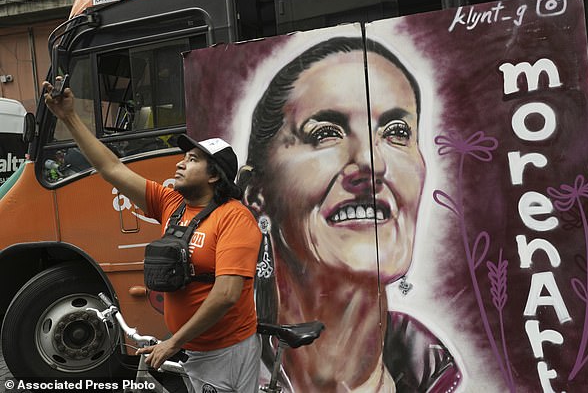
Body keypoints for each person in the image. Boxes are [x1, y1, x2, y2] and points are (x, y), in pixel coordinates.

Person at [237, 36, 462, 392]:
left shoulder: (433, 371)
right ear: (256, 193)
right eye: (326, 133)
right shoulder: (233, 369)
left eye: (397, 132)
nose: (373, 162)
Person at [43, 80, 262, 393]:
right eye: (183, 157)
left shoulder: (234, 218)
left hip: (226, 351)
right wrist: (68, 118)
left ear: (214, 175)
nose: (180, 162)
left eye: (193, 160)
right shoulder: (171, 205)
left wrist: (173, 343)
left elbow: (226, 294)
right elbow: (111, 169)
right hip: (192, 348)